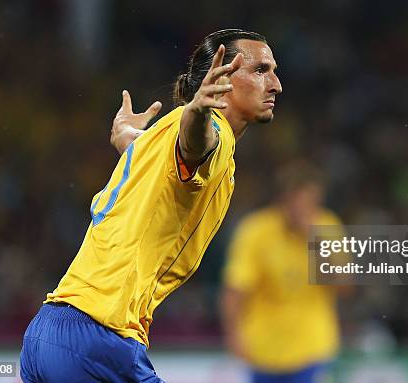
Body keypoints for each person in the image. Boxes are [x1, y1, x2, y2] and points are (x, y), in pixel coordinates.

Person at [20, 28, 282, 383]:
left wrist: (126, 136)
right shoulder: (211, 134)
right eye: (260, 70)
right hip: (100, 337)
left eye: (274, 70)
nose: (276, 84)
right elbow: (195, 144)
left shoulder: (158, 136)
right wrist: (200, 112)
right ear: (220, 79)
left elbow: (154, 160)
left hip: (46, 332)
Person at [221, 162, 342, 383]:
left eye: (311, 203)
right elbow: (236, 289)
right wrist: (233, 334)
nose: (305, 210)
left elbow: (343, 285)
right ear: (284, 199)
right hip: (263, 349)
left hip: (313, 347)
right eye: (299, 201)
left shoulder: (327, 227)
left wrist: (315, 242)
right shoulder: (256, 230)